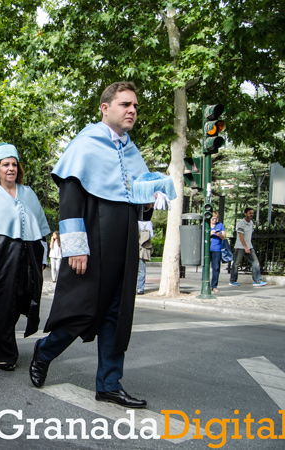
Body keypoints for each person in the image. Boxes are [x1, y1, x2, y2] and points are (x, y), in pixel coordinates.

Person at [29, 82, 176, 409]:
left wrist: (151, 200)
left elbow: (136, 204)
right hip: (90, 244)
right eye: (125, 104)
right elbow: (69, 202)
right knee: (80, 311)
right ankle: (45, 350)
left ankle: (109, 383)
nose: (132, 110)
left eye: (135, 106)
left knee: (117, 313)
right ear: (105, 108)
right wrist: (75, 247)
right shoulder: (84, 145)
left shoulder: (132, 152)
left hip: (123, 246)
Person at [0, 143, 50, 371]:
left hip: (26, 260)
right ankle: (5, 352)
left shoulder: (28, 193)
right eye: (5, 164)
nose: (11, 168)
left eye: (14, 164)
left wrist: (41, 259)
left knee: (20, 300)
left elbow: (41, 228)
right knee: (0, 303)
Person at [229, 207, 267, 287]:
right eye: (250, 213)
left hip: (249, 246)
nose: (251, 214)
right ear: (245, 214)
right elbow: (241, 236)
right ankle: (232, 280)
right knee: (236, 263)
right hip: (240, 247)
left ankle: (257, 280)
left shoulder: (251, 223)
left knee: (255, 263)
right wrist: (245, 247)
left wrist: (248, 246)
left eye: (252, 213)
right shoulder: (241, 224)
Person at [136, 208, 153, 295]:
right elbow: (151, 235)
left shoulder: (139, 222)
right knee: (141, 269)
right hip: (141, 248)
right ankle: (140, 288)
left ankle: (140, 288)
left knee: (141, 269)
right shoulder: (148, 224)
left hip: (141, 248)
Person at [209, 212, 226, 293]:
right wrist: (209, 233)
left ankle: (214, 285)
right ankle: (205, 284)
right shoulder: (206, 225)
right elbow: (200, 235)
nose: (214, 220)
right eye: (213, 218)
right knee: (206, 267)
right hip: (207, 248)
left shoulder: (220, 225)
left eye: (216, 218)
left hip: (217, 249)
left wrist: (219, 235)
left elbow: (224, 237)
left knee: (216, 268)